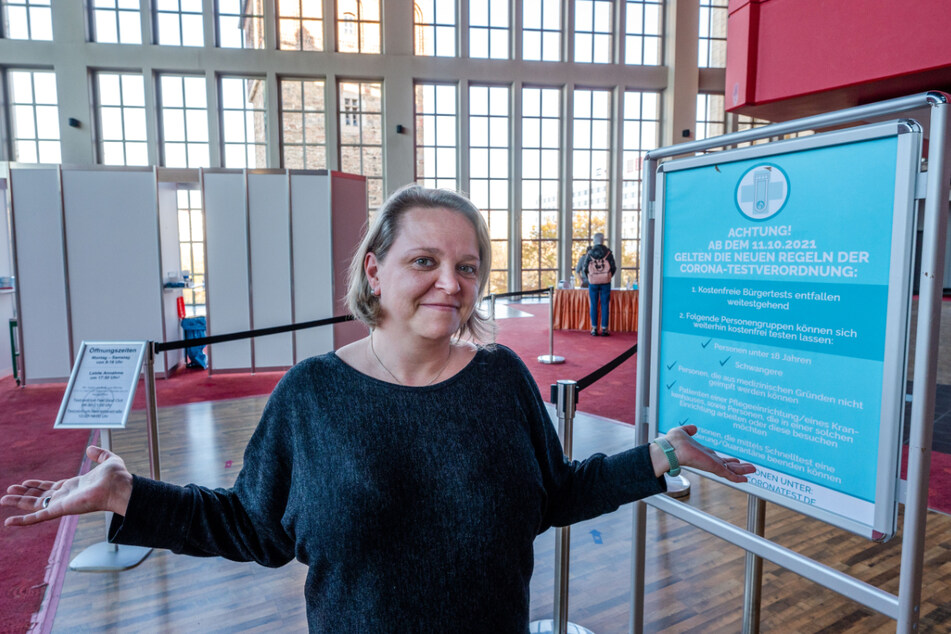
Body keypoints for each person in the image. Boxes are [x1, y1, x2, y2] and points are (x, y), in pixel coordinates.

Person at [2, 185, 754, 632]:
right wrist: (125, 492)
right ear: (374, 268)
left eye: (466, 267)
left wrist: (660, 457)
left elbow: (553, 494)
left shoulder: (501, 380)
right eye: (423, 261)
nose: (449, 284)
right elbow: (253, 527)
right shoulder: (312, 394)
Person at [578, 232, 616, 336]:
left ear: (594, 241)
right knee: (605, 305)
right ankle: (604, 329)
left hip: (593, 282)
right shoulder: (608, 253)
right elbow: (613, 267)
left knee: (594, 305)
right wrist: (607, 276)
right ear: (603, 240)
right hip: (606, 282)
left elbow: (585, 268)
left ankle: (594, 328)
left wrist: (591, 277)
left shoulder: (590, 253)